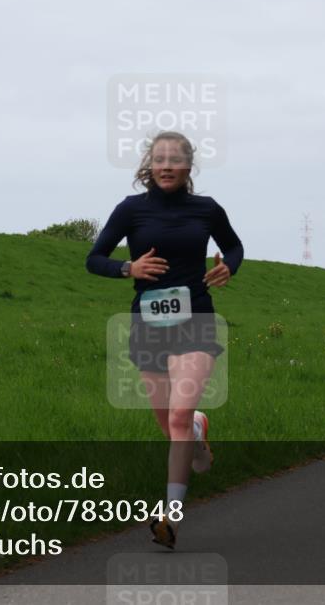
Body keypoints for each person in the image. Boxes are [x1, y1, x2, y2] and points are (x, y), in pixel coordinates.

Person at [86, 131, 244, 547]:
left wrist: (229, 266)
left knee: (174, 418)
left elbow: (234, 246)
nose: (167, 165)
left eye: (176, 159)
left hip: (197, 319)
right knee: (168, 422)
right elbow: (94, 258)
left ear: (188, 167)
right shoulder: (130, 210)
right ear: (149, 166)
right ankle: (196, 429)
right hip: (148, 324)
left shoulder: (206, 209)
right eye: (160, 159)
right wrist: (127, 269)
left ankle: (170, 519)